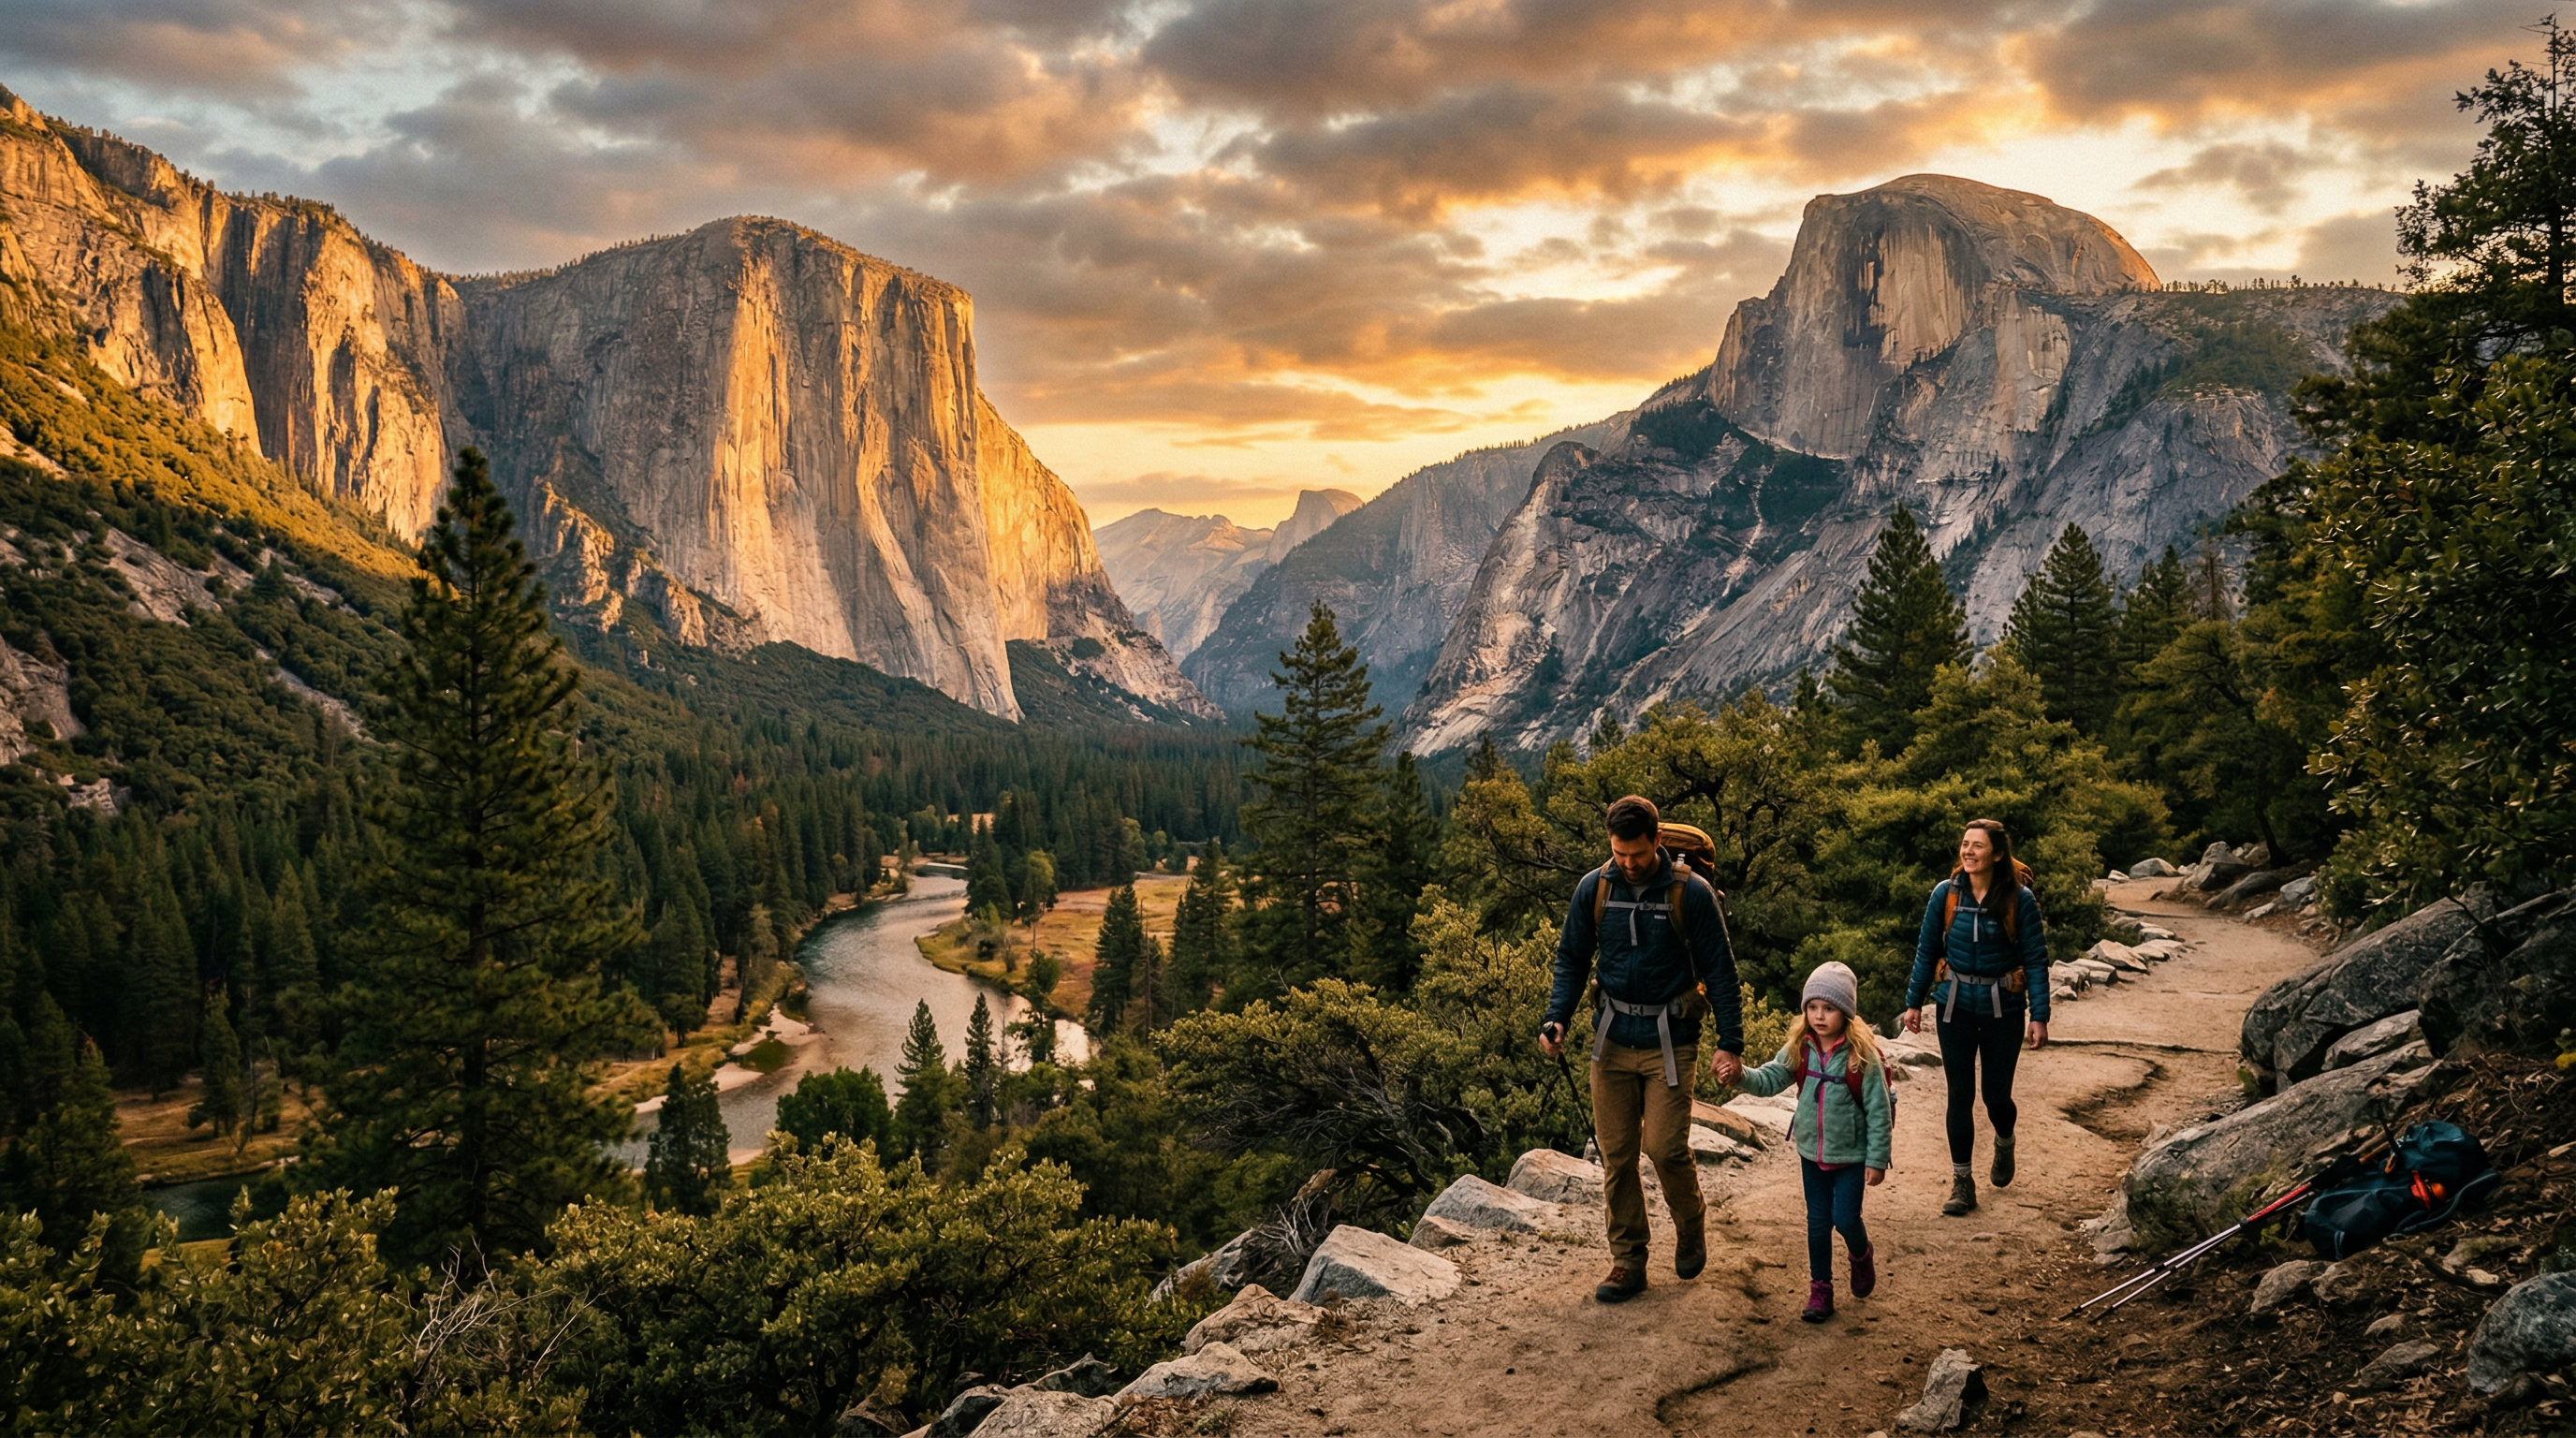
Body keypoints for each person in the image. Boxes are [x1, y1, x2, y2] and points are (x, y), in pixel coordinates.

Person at [1539, 794, 1743, 1303]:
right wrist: (1556, 1017)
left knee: (1666, 1148)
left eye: (1637, 853)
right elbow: (1572, 957)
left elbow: (1721, 969)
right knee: (1618, 1155)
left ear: (1656, 840)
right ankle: (1628, 1260)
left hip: (1670, 1041)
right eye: (1619, 853)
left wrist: (1731, 1043)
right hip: (1611, 1039)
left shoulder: (1689, 893)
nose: (1628, 863)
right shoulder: (1595, 888)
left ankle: (1690, 1222)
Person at [1901, 818, 2049, 1218]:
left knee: (1996, 1097)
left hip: (2004, 1009)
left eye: (1977, 846)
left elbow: (2035, 959)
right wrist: (1914, 1002)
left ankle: (2004, 1141)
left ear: (1997, 853)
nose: (1968, 852)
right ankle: (1962, 1183)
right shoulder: (1944, 896)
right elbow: (1927, 949)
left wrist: (2040, 1015)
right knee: (1960, 1096)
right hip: (1955, 1007)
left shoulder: (2020, 899)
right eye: (1965, 845)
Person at [1733, 961, 1891, 1323]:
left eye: (1829, 1008)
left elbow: (1879, 1111)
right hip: (1811, 1152)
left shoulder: (1860, 1057)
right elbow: (1770, 1079)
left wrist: (1877, 1160)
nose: (1819, 1016)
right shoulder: (1800, 1048)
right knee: (1817, 1222)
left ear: (1846, 1013)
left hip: (1851, 1154)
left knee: (1845, 1219)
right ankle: (1820, 1289)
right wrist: (1740, 1075)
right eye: (1813, 1007)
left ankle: (1860, 1254)